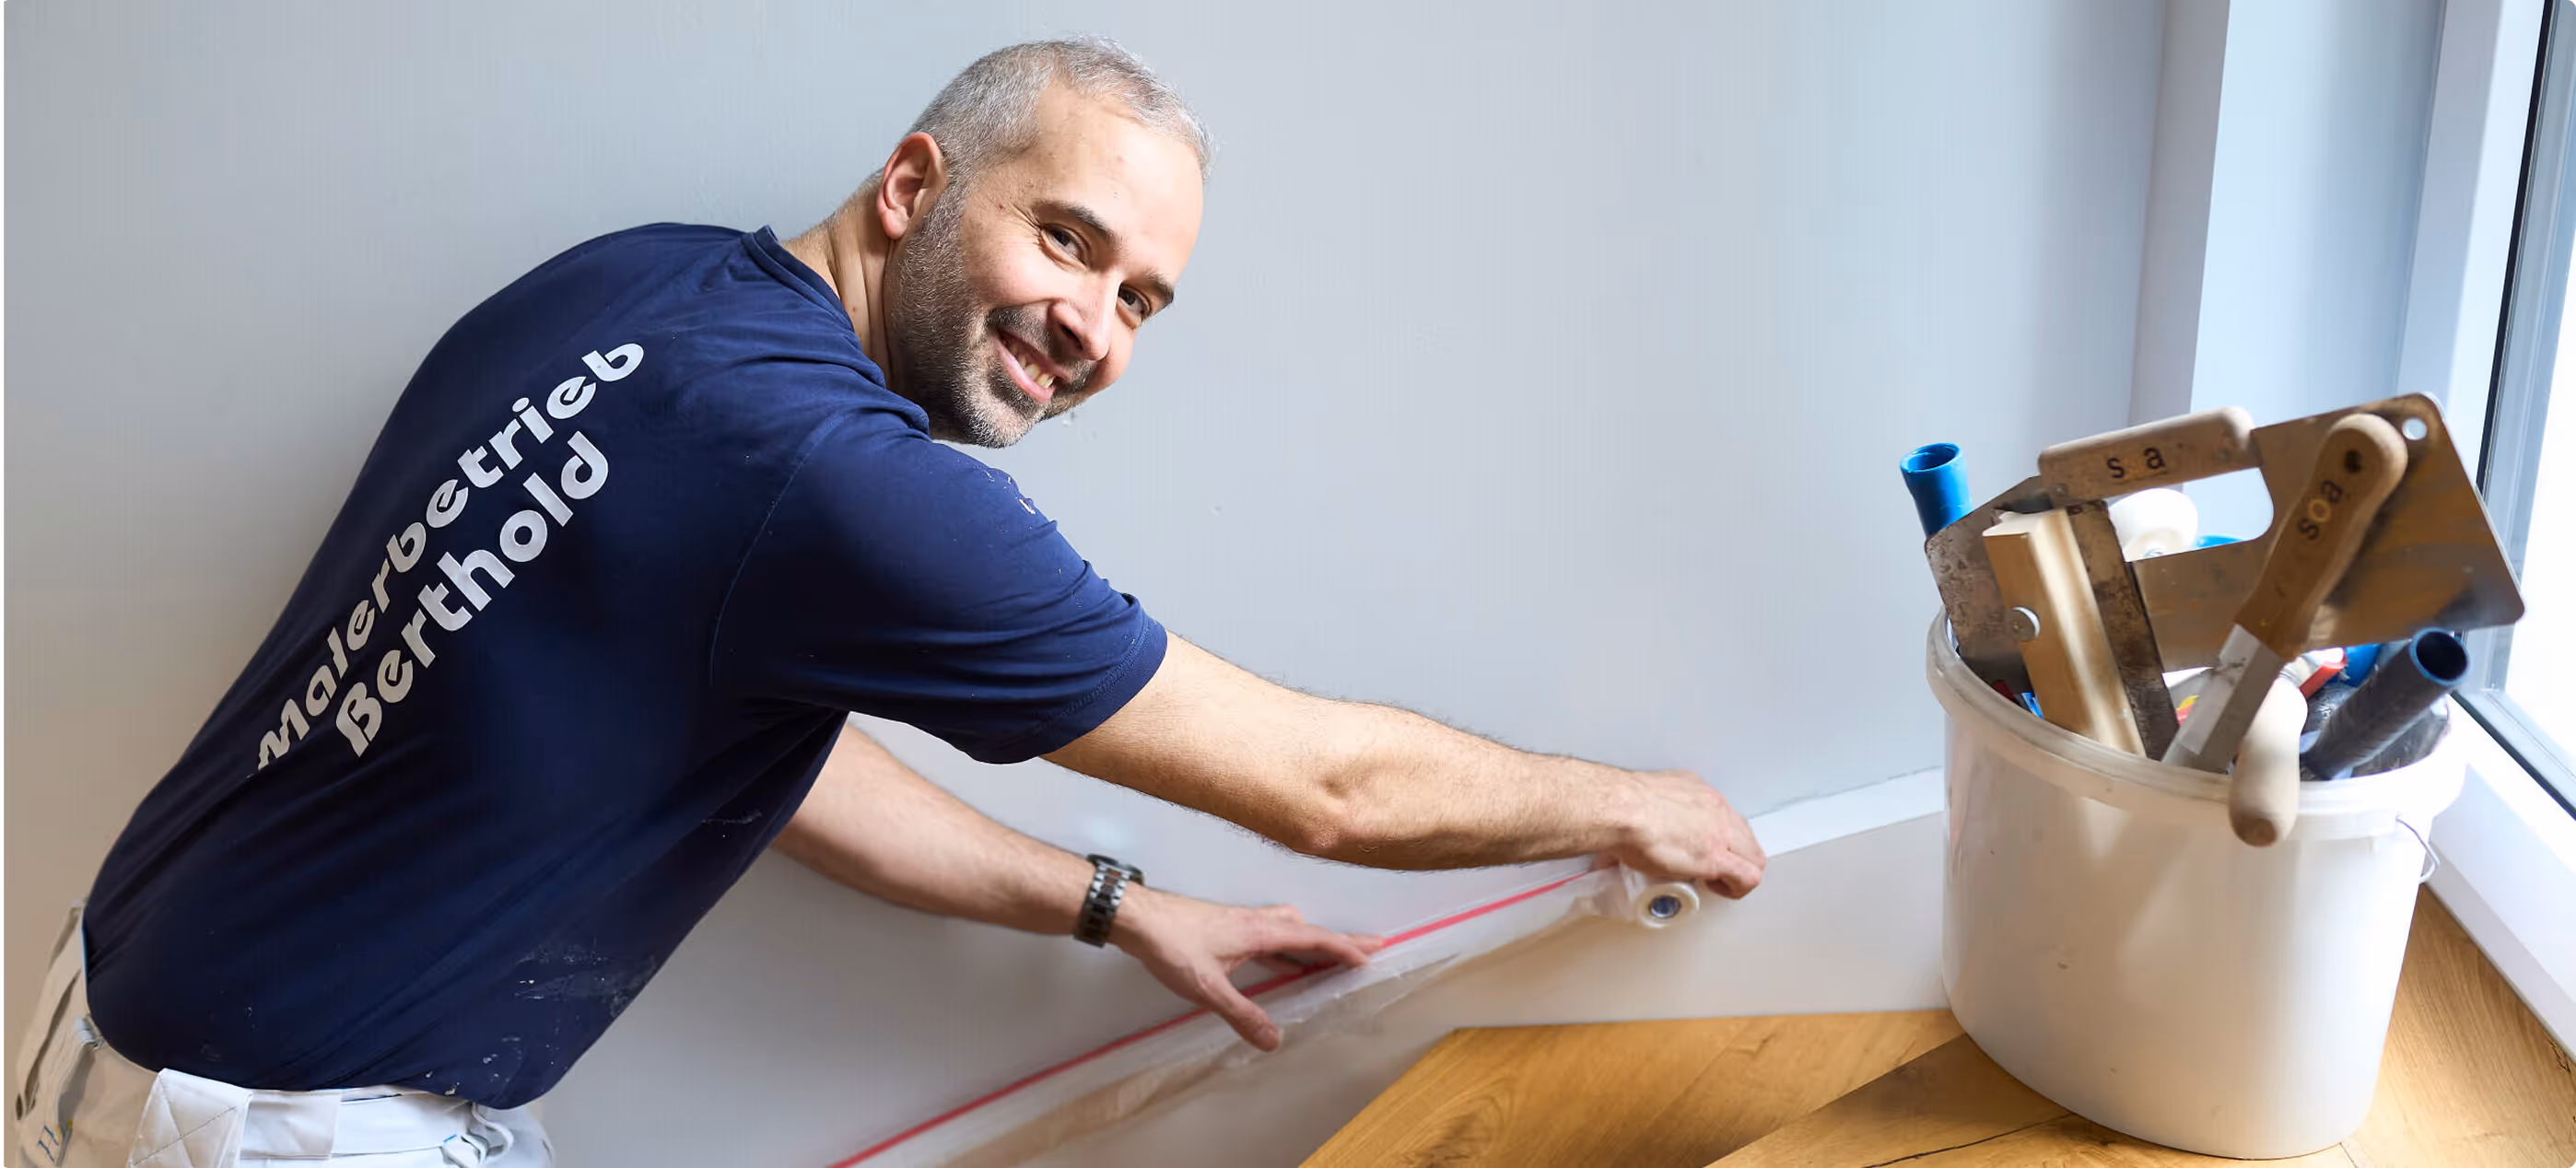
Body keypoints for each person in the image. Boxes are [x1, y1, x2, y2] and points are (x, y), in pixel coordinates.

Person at [10, 36, 1763, 1168]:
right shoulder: (843, 488)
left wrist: (1115, 906)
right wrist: (1635, 805)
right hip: (270, 1134)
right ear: (916, 184)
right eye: (1069, 242)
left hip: (101, 1023)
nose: (1095, 327)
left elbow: (728, 742)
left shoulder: (642, 290)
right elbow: (1332, 787)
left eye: (1146, 298)